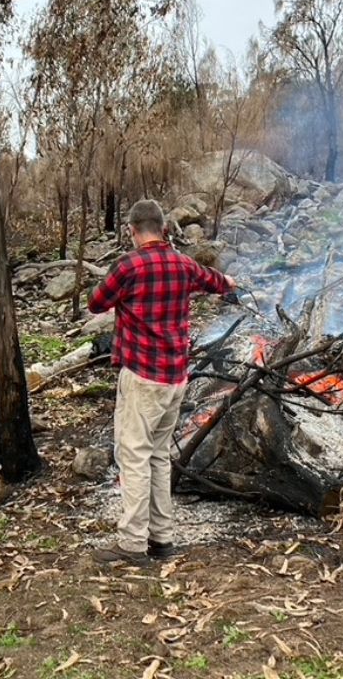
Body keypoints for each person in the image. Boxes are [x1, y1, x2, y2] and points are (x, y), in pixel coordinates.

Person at [88, 199, 236, 566]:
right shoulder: (183, 264)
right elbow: (218, 282)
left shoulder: (128, 266)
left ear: (132, 230)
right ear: (165, 229)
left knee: (134, 457)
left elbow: (95, 303)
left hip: (142, 377)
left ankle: (134, 543)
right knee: (157, 457)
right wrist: (230, 281)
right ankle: (163, 539)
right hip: (176, 378)